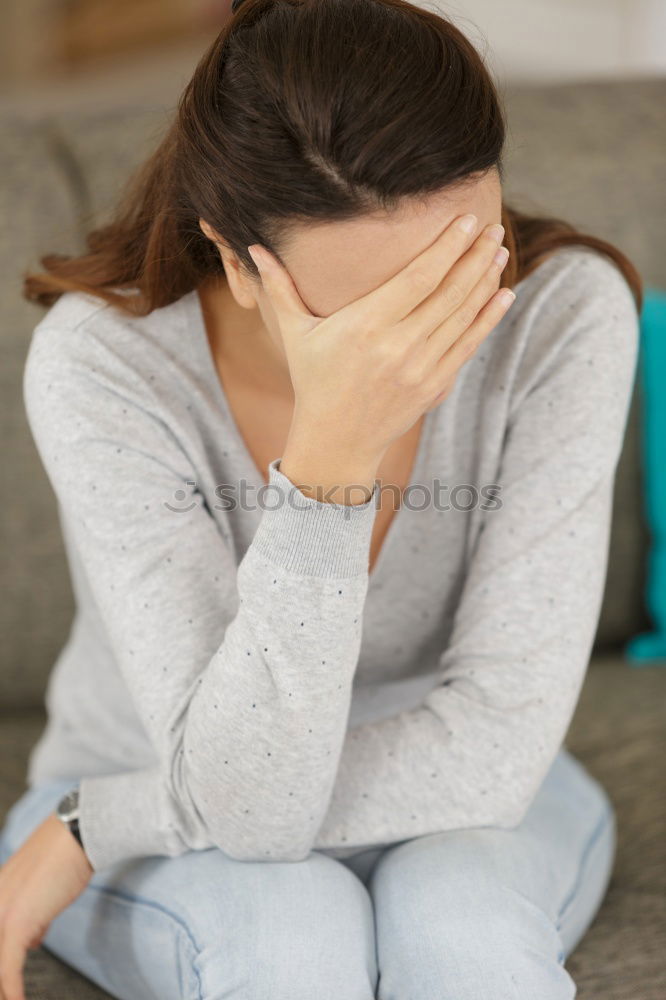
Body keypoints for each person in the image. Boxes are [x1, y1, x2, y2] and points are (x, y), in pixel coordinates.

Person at [0, 0, 642, 997]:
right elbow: (251, 804)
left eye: (465, 264)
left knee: (465, 944)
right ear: (236, 261)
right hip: (175, 768)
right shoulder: (108, 369)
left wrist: (102, 822)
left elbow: (495, 742)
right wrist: (331, 458)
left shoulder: (561, 317)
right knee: (291, 948)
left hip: (413, 789)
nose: (438, 338)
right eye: (376, 313)